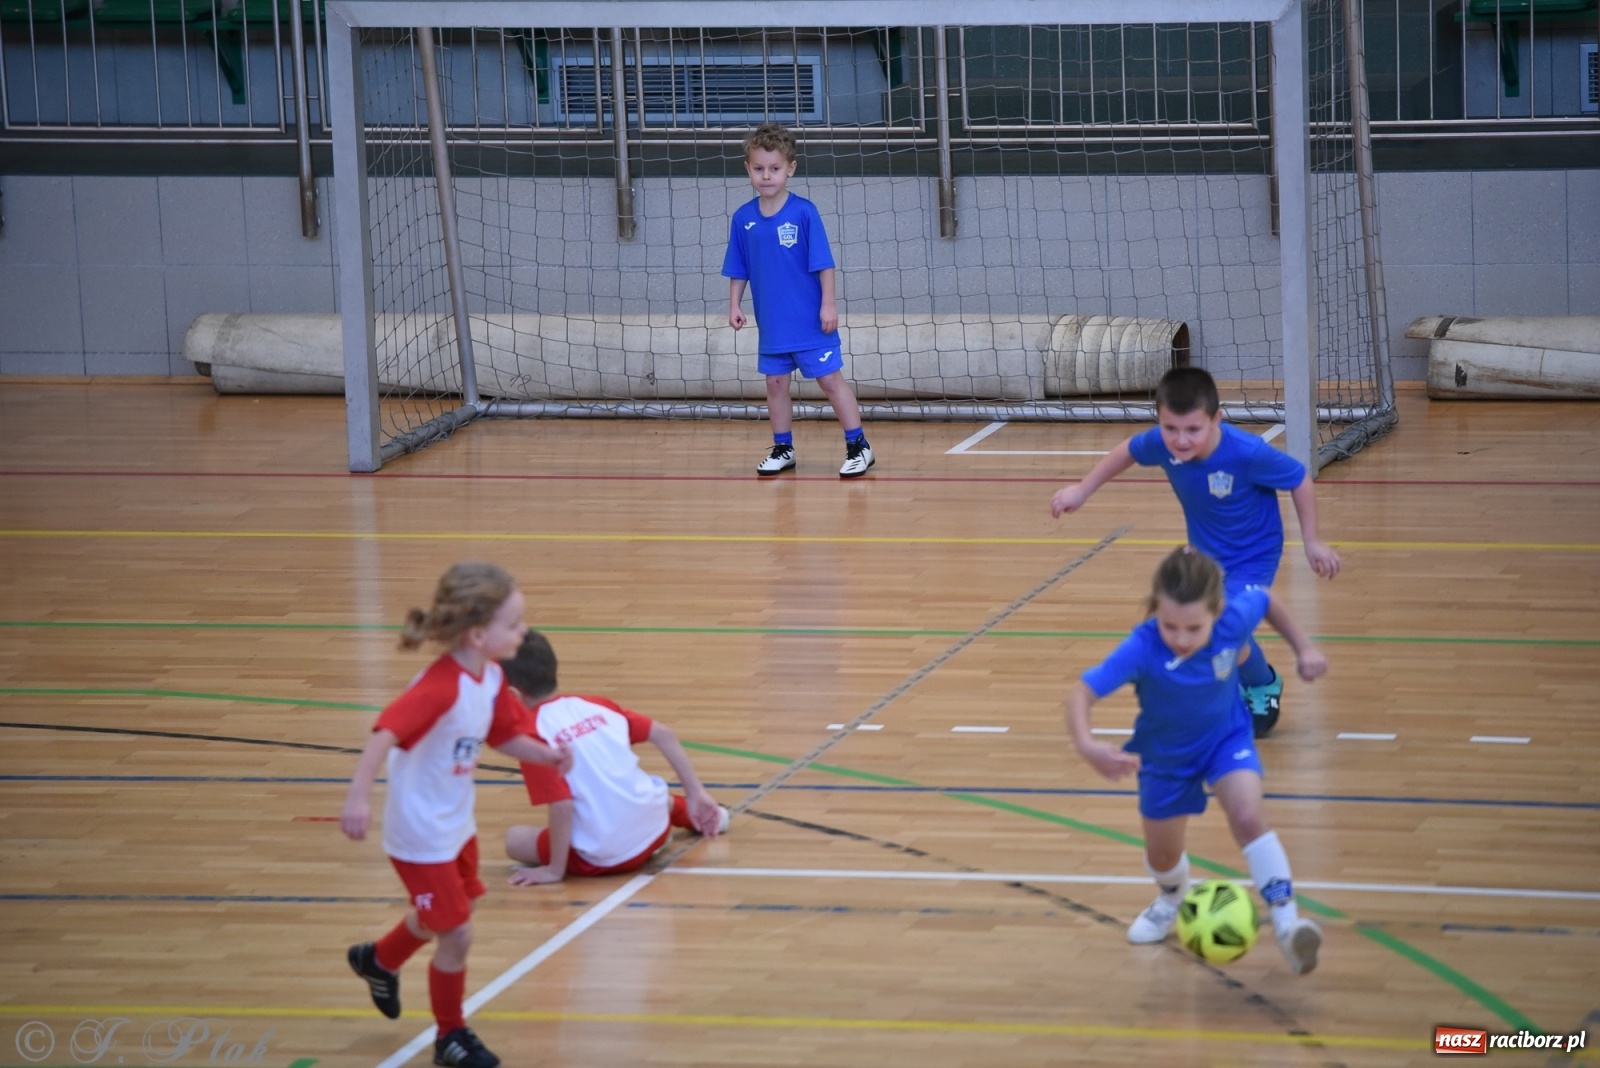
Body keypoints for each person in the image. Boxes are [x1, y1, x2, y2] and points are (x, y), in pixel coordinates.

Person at [340, 562, 573, 1068]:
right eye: (514, 624)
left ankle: (378, 960)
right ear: (478, 634)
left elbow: (505, 734)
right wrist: (358, 797)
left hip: (456, 824)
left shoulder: (489, 678)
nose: (524, 631)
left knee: (442, 916)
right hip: (419, 832)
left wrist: (546, 754)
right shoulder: (442, 685)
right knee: (458, 931)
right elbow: (384, 733)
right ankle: (451, 1036)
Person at [1065, 546, 1328, 973]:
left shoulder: (1232, 622)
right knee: (1163, 856)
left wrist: (1304, 649)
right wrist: (1087, 745)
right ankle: (1171, 898)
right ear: (1155, 610)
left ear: (1217, 612)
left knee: (1247, 815)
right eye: (1170, 626)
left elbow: (1265, 599)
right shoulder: (1142, 647)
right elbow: (1081, 694)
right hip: (1165, 759)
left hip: (1226, 740)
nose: (1182, 639)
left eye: (1194, 628)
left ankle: (1287, 924)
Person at [1049, 366, 1340, 736]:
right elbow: (1129, 450)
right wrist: (1082, 489)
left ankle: (1261, 683)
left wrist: (1312, 541)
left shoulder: (1247, 453)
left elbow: (1299, 478)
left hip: (1253, 559)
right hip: (1204, 558)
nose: (1181, 440)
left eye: (1193, 430)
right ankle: (1253, 679)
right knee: (1220, 627)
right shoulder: (1162, 444)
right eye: (1170, 429)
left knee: (1218, 626)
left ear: (1216, 419)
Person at [498, 631, 728, 883]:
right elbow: (664, 734)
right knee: (640, 790)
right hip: (657, 829)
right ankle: (706, 814)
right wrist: (696, 793)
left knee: (515, 839)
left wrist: (554, 870)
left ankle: (688, 817)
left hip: (607, 858)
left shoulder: (531, 738)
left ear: (512, 696)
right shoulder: (594, 704)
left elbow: (562, 805)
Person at [723, 121, 875, 479]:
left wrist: (828, 304)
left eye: (774, 169)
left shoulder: (805, 213)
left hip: (810, 321)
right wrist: (734, 304)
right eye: (758, 169)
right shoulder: (743, 219)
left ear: (790, 169)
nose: (766, 176)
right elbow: (738, 267)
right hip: (773, 324)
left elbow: (824, 264)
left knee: (829, 381)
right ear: (748, 169)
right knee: (775, 385)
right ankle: (783, 447)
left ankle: (859, 446)